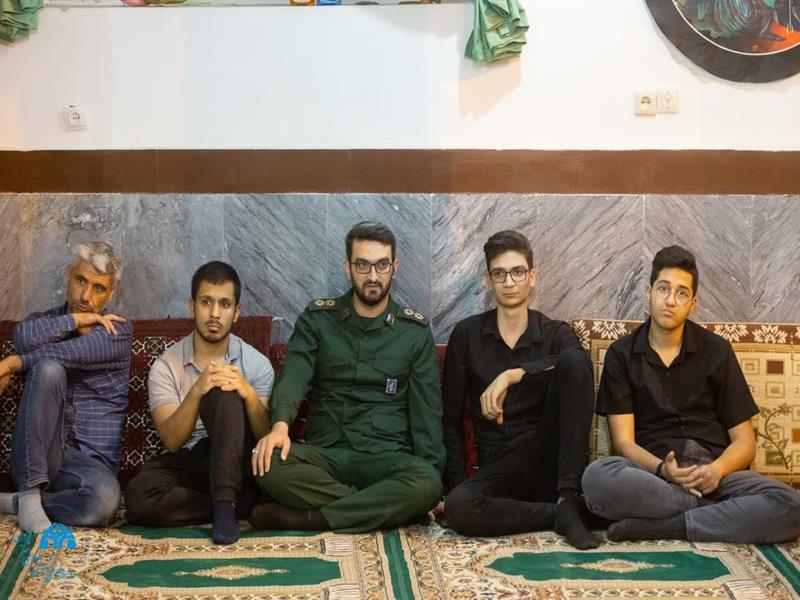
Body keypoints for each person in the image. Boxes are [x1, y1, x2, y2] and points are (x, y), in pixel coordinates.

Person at [582, 245, 800, 543]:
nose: (670, 300)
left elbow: (745, 442)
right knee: (597, 477)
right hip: (653, 478)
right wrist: (664, 470)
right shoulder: (622, 355)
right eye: (663, 289)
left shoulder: (717, 351)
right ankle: (717, 515)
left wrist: (716, 470)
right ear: (649, 293)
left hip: (715, 476)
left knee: (791, 505)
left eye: (681, 293)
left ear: (692, 303)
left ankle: (667, 527)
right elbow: (623, 444)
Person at [249, 221, 444, 533]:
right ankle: (386, 509)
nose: (373, 276)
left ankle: (309, 519)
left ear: (394, 268)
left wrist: (431, 487)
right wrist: (280, 426)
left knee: (427, 483)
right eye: (362, 265)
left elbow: (427, 414)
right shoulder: (318, 320)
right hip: (326, 455)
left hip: (386, 459)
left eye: (382, 265)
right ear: (347, 267)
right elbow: (294, 375)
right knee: (267, 463)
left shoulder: (414, 332)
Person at [439, 230, 599, 549]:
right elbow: (449, 420)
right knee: (459, 507)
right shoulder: (467, 335)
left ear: (532, 277)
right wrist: (455, 487)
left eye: (517, 272)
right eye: (500, 273)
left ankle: (568, 499)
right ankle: (559, 514)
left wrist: (515, 375)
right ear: (489, 280)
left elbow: (578, 365)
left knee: (573, 361)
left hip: (547, 457)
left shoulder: (554, 332)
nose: (509, 282)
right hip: (499, 466)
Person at [124, 261, 274, 545]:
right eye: (206, 302)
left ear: (236, 312)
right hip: (192, 459)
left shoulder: (257, 364)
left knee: (225, 392)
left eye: (224, 304)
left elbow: (265, 435)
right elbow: (172, 441)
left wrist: (247, 392)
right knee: (138, 496)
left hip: (237, 459)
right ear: (192, 306)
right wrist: (196, 391)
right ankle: (233, 505)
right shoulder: (166, 366)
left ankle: (225, 506)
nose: (215, 314)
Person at [0, 241, 131, 532]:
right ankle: (30, 493)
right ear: (68, 276)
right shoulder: (45, 324)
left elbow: (74, 352)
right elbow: (22, 337)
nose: (86, 296)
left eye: (98, 288)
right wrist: (76, 319)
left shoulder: (117, 331)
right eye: (81, 280)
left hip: (89, 467)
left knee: (104, 501)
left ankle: (19, 503)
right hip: (38, 455)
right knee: (48, 369)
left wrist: (13, 363)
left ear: (111, 293)